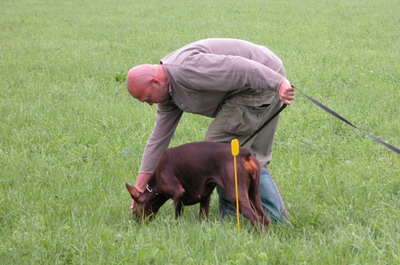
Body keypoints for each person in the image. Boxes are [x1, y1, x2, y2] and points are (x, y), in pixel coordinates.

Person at [126, 38, 295, 224]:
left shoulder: (186, 69)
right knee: (251, 158)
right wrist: (141, 187)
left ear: (154, 82)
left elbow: (239, 67)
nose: (150, 104)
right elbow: (159, 139)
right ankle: (274, 219)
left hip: (261, 80)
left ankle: (234, 218)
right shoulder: (168, 93)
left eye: (148, 98)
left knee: (215, 155)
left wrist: (278, 83)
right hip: (260, 80)